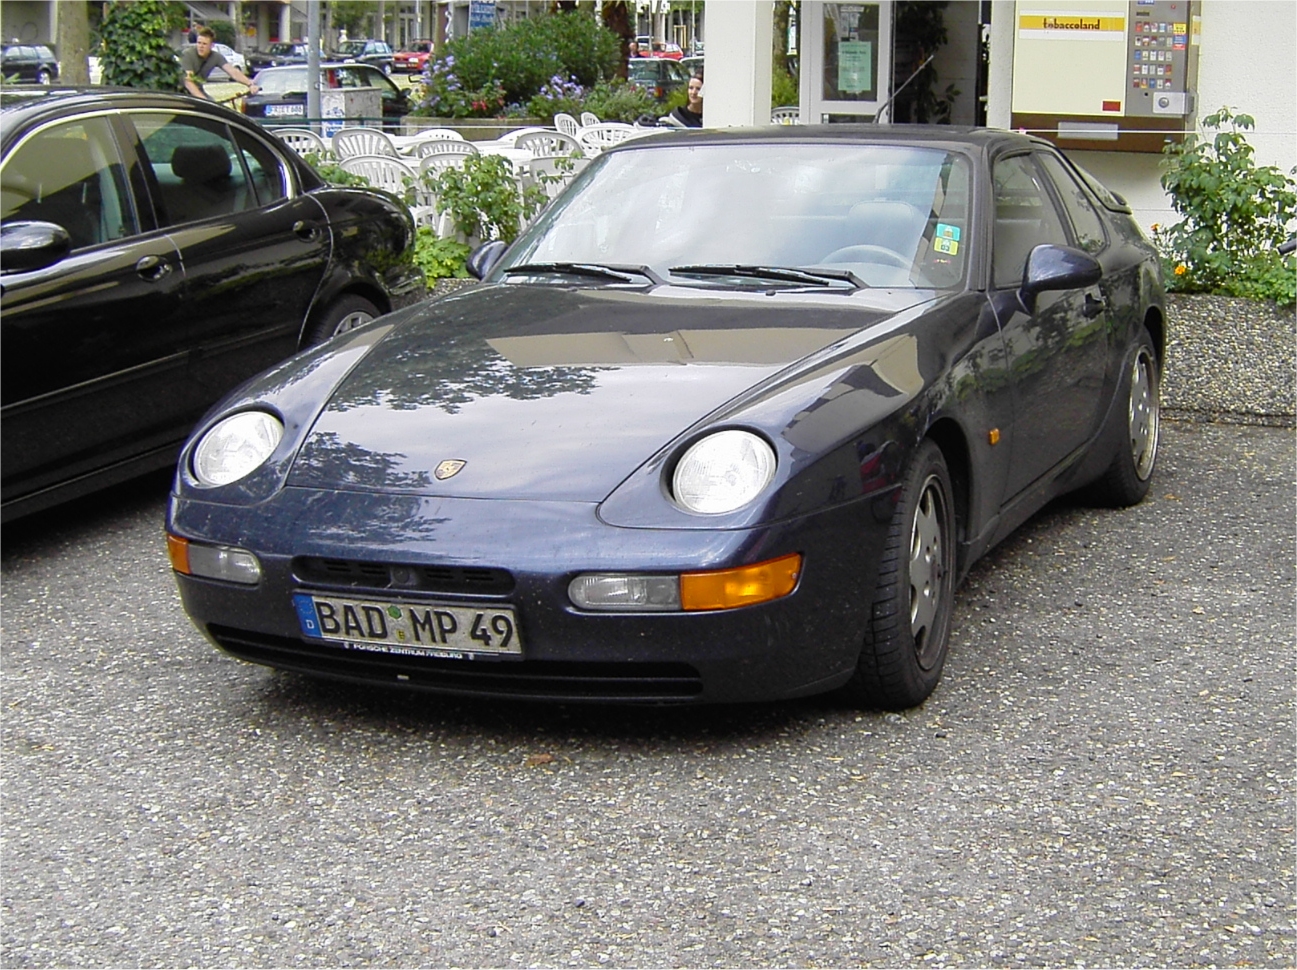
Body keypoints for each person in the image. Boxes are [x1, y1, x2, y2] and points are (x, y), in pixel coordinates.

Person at [181, 26, 259, 101]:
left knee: (215, 108)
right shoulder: (188, 54)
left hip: (198, 90)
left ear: (211, 46)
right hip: (182, 92)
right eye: (199, 43)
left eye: (204, 44)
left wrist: (250, 84)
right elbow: (188, 82)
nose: (201, 46)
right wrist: (204, 101)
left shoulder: (216, 56)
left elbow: (233, 72)